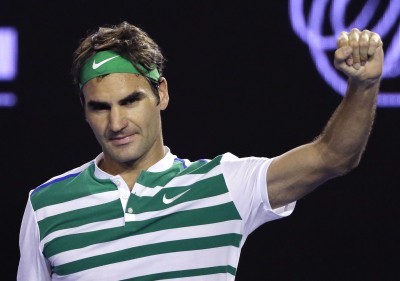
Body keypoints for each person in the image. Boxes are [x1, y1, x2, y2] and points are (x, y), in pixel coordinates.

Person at [17, 21, 383, 281]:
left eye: (130, 101)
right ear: (83, 108)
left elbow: (333, 156)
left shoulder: (224, 185)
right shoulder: (46, 205)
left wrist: (364, 86)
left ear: (161, 94)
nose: (116, 123)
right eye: (100, 107)